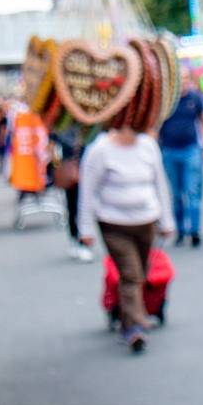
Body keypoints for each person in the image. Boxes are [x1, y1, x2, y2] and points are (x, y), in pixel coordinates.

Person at [77, 121, 174, 352]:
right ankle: (134, 327)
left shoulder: (148, 146)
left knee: (140, 272)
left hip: (146, 220)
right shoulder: (100, 150)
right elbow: (87, 191)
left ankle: (127, 315)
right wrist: (86, 229)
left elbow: (159, 184)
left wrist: (166, 220)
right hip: (113, 223)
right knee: (130, 274)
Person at [155, 73, 203, 248]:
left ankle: (195, 230)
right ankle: (180, 230)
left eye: (185, 80)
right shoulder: (167, 99)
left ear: (189, 82)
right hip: (169, 151)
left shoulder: (196, 98)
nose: (182, 83)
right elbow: (157, 124)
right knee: (176, 193)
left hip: (191, 150)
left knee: (192, 191)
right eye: (179, 80)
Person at [51, 128, 93, 261]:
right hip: (70, 170)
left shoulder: (90, 127)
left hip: (86, 169)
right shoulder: (62, 127)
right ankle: (76, 239)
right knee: (72, 206)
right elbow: (54, 145)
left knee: (82, 206)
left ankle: (83, 240)